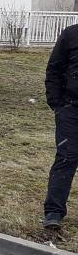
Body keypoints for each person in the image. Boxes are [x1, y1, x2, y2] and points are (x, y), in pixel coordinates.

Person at [44, 23, 78, 229]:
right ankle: (54, 212)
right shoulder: (71, 34)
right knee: (66, 157)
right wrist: (57, 104)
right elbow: (54, 69)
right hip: (71, 109)